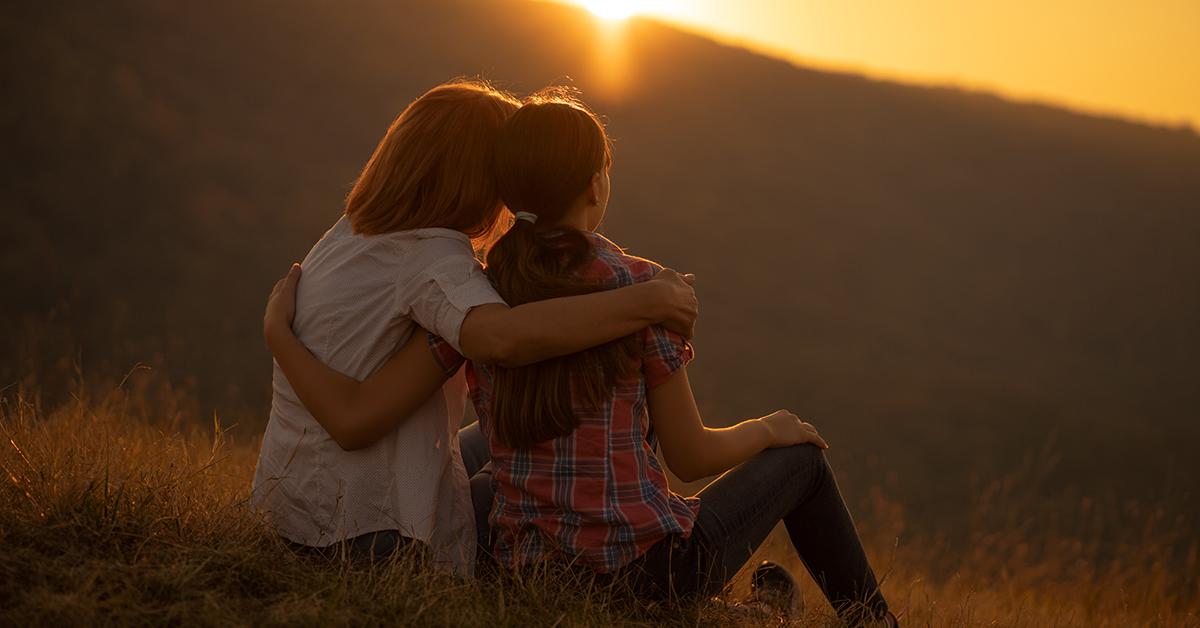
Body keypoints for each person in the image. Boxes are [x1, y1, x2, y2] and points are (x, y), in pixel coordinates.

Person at [263, 89, 895, 625]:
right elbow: (689, 457)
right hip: (642, 573)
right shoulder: (624, 286)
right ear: (595, 183)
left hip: (521, 566)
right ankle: (873, 621)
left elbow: (490, 347)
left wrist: (280, 337)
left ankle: (757, 610)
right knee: (802, 464)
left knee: (559, 439)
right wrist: (769, 428)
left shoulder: (481, 283)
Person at [253, 80, 698, 576]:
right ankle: (621, 546)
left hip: (295, 509)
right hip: (364, 531)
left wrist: (278, 336)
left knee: (532, 435)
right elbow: (501, 339)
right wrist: (648, 298)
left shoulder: (350, 233)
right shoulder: (433, 260)